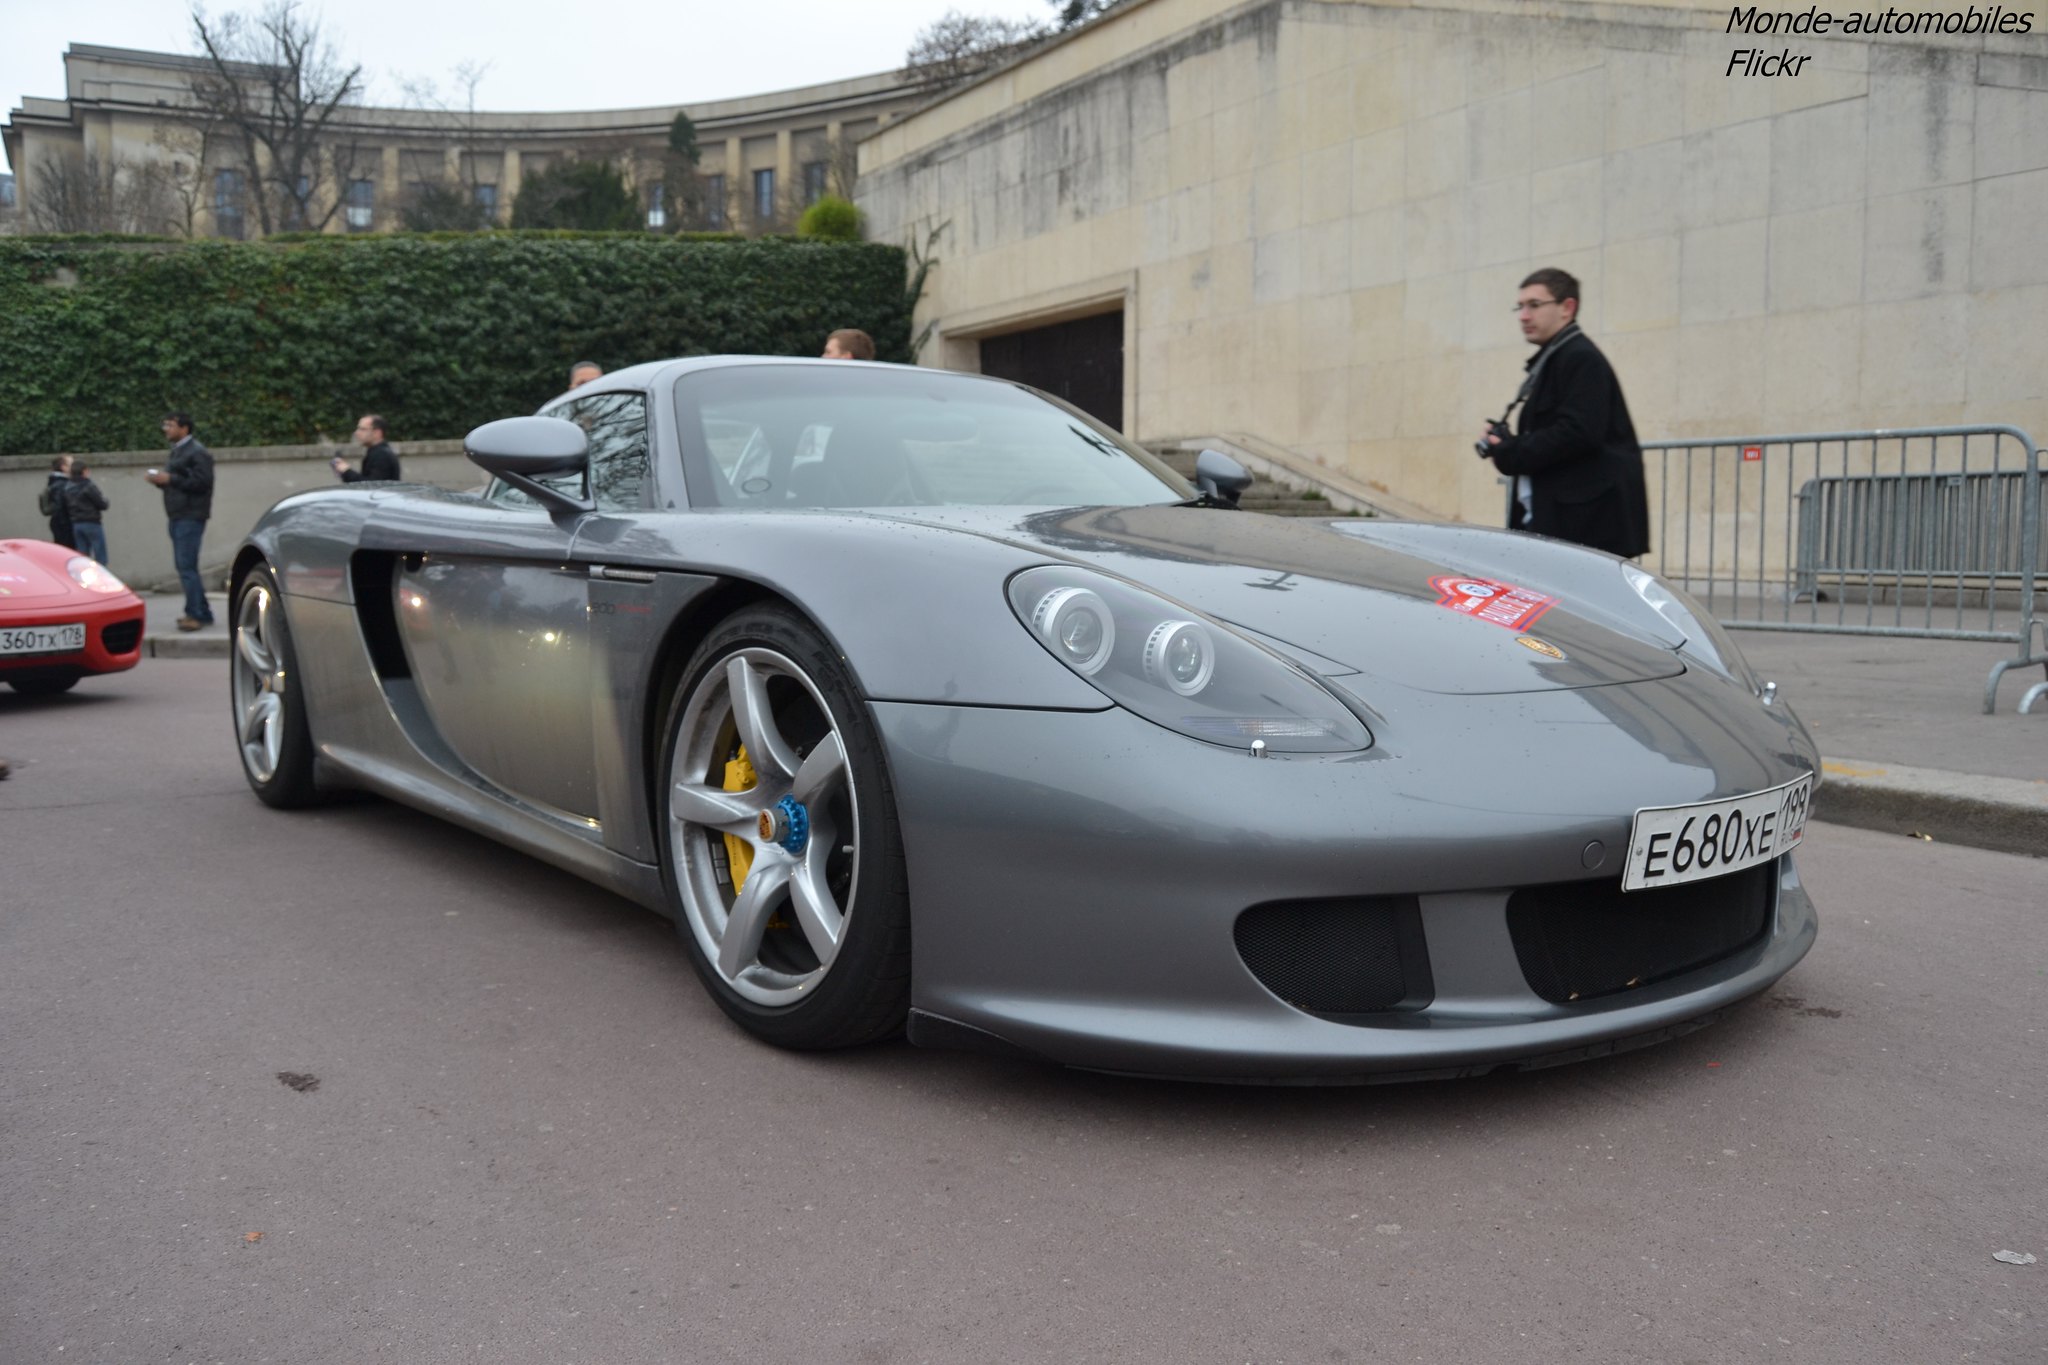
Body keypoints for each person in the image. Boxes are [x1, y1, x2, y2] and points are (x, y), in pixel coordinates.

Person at [1477, 267, 1650, 559]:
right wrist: (1508, 445)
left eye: (1534, 305)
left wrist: (1511, 451)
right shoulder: (1560, 357)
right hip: (1572, 526)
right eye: (1520, 307)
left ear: (1567, 308)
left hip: (1586, 530)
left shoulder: (1580, 358)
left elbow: (1578, 433)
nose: (1523, 316)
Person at [146, 412, 215, 631]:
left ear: (184, 428)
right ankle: (202, 611)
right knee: (186, 566)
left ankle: (194, 614)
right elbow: (182, 481)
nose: (166, 428)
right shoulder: (180, 450)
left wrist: (170, 478)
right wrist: (161, 481)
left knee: (186, 566)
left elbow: (203, 482)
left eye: (171, 425)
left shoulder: (197, 452)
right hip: (179, 514)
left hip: (190, 515)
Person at [330, 414, 401, 482]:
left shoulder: (382, 455)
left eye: (362, 429)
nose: (357, 433)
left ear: (377, 433)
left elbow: (371, 486)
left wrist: (346, 471)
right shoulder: (376, 452)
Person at [64, 461, 109, 565]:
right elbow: (102, 504)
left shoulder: (67, 487)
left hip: (76, 523)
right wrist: (106, 501)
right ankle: (100, 578)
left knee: (82, 556)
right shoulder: (88, 486)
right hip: (92, 522)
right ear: (84, 471)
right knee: (100, 556)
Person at [40, 455, 76, 548]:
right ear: (63, 467)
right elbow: (60, 507)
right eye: (71, 464)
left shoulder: (56, 482)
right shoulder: (61, 484)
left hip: (60, 524)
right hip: (64, 525)